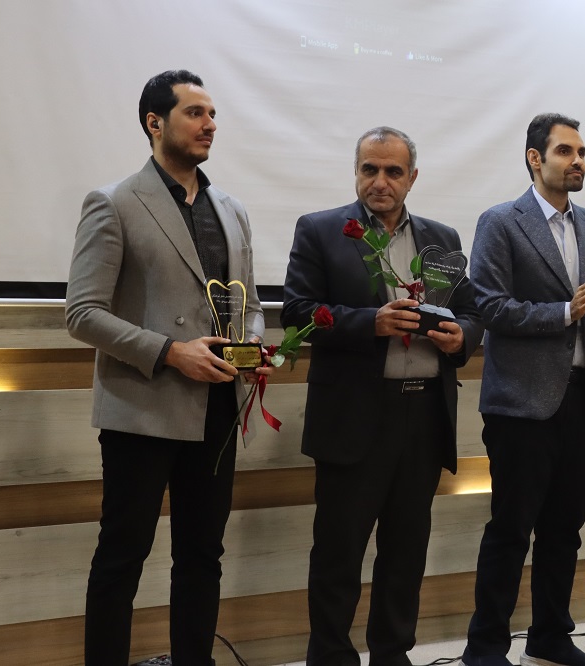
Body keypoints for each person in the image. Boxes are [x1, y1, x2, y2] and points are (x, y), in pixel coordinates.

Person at [66, 69, 272, 665]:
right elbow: (82, 314)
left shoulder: (231, 209)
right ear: (154, 123)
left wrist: (252, 346)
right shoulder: (114, 202)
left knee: (202, 556)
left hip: (218, 411)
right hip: (141, 408)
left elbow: (252, 306)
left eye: (213, 115)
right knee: (122, 558)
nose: (210, 124)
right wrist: (170, 352)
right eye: (195, 113)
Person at [282, 126, 483, 666]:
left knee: (406, 552)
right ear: (356, 172)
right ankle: (331, 657)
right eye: (369, 169)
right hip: (353, 418)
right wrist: (369, 322)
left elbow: (471, 310)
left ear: (412, 178)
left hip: (424, 416)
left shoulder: (441, 239)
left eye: (393, 171)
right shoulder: (321, 230)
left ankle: (392, 654)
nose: (380, 181)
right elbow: (297, 313)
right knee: (339, 553)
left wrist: (462, 337)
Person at [461, 113, 585, 666]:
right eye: (565, 152)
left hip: (584, 402)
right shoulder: (501, 222)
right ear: (535, 158)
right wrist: (563, 312)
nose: (577, 161)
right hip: (522, 404)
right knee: (511, 530)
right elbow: (489, 306)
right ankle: (486, 646)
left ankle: (551, 637)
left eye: (582, 153)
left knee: (565, 530)